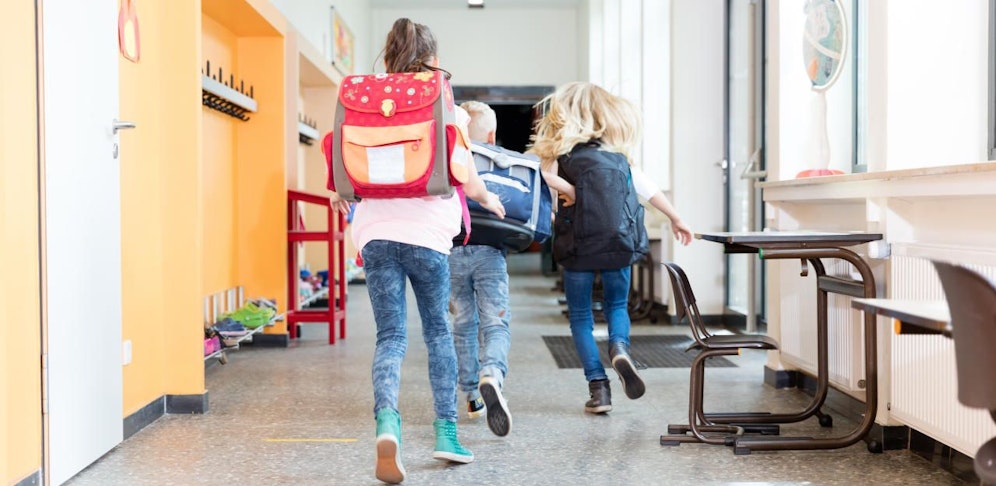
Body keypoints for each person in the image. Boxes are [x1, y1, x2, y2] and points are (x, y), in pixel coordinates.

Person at [328, 18, 506, 485]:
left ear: (388, 59)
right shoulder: (447, 107)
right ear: (434, 60)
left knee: (390, 337)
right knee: (438, 334)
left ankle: (387, 423)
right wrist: (489, 199)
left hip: (375, 234)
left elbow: (341, 167)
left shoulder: (363, 101)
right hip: (428, 236)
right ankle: (447, 434)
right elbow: (466, 177)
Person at [529, 81, 693, 414]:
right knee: (617, 305)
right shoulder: (618, 158)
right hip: (618, 245)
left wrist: (569, 190)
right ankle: (619, 348)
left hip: (577, 247)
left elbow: (539, 180)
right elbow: (649, 190)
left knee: (580, 317)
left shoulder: (558, 156)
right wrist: (676, 219)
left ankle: (599, 389)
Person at [449, 100, 513, 437]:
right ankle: (492, 373)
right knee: (495, 324)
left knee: (462, 324)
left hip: (452, 250)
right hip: (490, 252)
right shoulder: (500, 161)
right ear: (491, 134)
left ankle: (472, 397)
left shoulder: (450, 157)